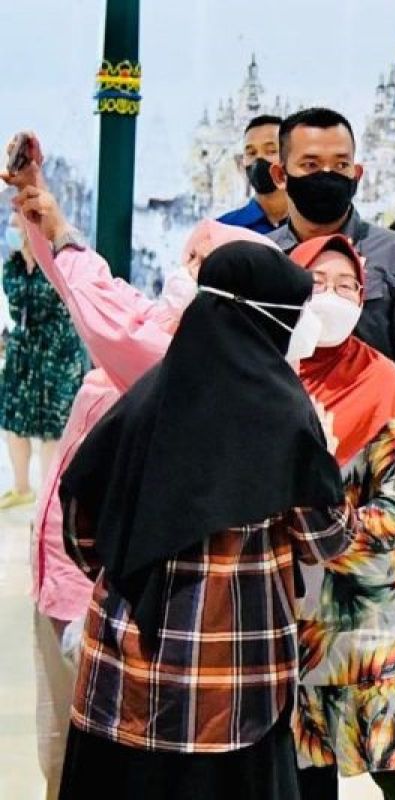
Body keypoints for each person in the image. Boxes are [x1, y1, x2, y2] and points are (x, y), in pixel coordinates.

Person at [6, 141, 281, 800]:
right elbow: (104, 301)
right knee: (55, 746)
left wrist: (60, 230)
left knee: (94, 760)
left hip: (114, 595)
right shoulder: (159, 324)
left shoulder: (196, 362)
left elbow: (105, 317)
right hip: (59, 574)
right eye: (188, 255)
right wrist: (40, 214)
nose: (186, 270)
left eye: (205, 265)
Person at [55, 241, 357, 800]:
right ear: (269, 318)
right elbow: (326, 537)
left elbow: (80, 523)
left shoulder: (146, 398)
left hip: (123, 673)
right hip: (232, 676)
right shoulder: (285, 414)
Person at [287, 235, 395, 800]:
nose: (333, 298)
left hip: (376, 617)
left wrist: (311, 533)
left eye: (347, 287)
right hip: (292, 625)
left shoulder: (383, 381)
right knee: (299, 775)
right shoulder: (270, 377)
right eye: (316, 285)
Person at [266, 108, 395, 482]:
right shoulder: (260, 259)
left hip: (377, 473)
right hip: (272, 470)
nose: (327, 175)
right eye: (310, 164)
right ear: (280, 175)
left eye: (340, 165)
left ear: (357, 174)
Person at [0, 214, 87, 509]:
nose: (10, 230)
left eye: (15, 225)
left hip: (57, 352)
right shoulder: (12, 266)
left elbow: (51, 304)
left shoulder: (54, 262)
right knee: (13, 419)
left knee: (52, 424)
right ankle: (21, 487)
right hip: (23, 350)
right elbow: (16, 306)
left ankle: (48, 497)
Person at [216, 114, 288, 234]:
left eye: (271, 151)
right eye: (251, 153)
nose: (259, 159)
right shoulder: (224, 229)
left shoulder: (315, 226)